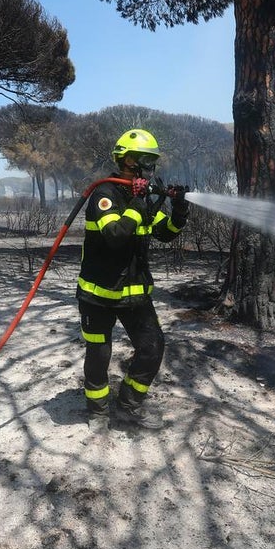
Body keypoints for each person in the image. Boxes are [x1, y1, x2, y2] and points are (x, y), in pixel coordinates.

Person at [77, 129, 190, 430]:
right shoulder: (105, 195)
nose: (147, 167)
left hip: (134, 295)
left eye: (151, 161)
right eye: (140, 160)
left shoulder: (144, 198)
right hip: (97, 296)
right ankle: (97, 411)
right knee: (99, 354)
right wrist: (138, 207)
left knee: (153, 348)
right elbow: (115, 235)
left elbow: (164, 233)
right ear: (124, 160)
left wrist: (178, 213)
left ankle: (128, 406)